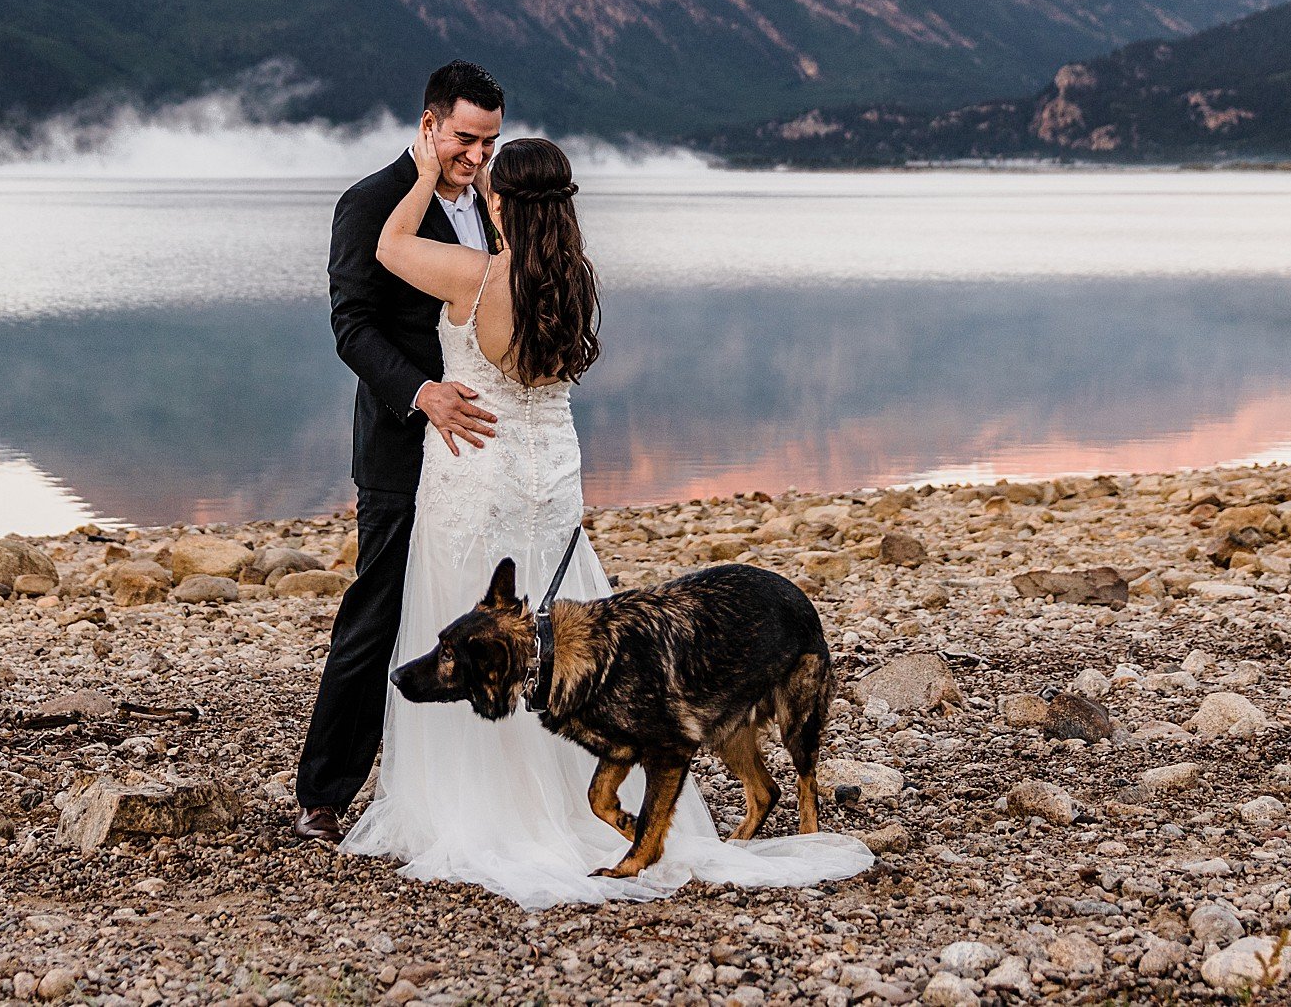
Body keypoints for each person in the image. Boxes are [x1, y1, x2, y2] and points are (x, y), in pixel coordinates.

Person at [332, 115, 875, 907]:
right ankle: (570, 797)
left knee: (469, 635)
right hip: (550, 484)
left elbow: (385, 250)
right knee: (566, 641)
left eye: (490, 182)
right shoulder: (573, 277)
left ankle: (481, 810)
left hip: (478, 478)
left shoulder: (476, 278)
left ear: (503, 202)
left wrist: (422, 175)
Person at [294, 60, 509, 841]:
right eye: (464, 139)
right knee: (377, 611)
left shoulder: (492, 205)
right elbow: (352, 326)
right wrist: (423, 394)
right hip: (401, 441)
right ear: (428, 126)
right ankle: (324, 792)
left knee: (480, 608)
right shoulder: (370, 203)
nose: (478, 156)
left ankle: (471, 785)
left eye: (489, 141)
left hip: (481, 445)